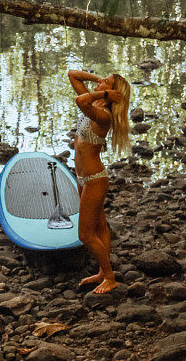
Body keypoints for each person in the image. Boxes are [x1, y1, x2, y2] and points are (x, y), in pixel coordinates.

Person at [67, 69, 131, 294]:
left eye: (106, 81)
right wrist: (101, 85)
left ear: (111, 93)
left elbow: (80, 99)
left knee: (85, 235)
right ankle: (103, 272)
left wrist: (103, 94)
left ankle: (110, 277)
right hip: (83, 178)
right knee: (100, 226)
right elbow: (72, 74)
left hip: (95, 179)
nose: (100, 81)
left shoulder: (103, 116)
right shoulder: (97, 108)